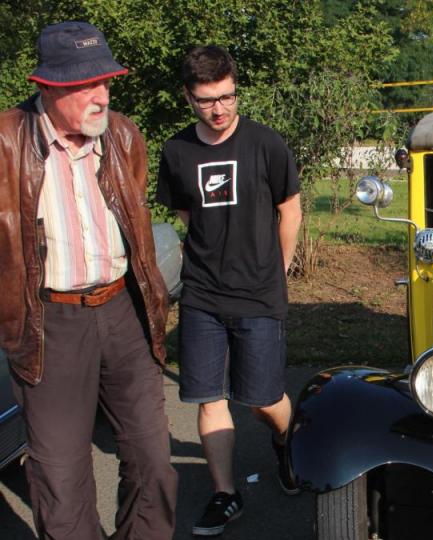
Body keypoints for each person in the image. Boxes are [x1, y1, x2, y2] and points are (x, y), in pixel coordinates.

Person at [0, 21, 177, 539]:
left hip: (124, 309)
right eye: (87, 84)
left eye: (107, 81)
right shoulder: (6, 143)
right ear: (48, 87)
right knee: (60, 474)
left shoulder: (121, 134)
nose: (102, 95)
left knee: (153, 460)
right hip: (47, 321)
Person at [156, 45, 302, 537]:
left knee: (262, 398)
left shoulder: (266, 144)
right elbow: (185, 215)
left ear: (236, 89)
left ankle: (291, 443)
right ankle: (225, 494)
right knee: (209, 398)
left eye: (227, 97)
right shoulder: (177, 151)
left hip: (259, 294)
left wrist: (277, 271)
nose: (219, 109)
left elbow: (291, 209)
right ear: (188, 98)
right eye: (206, 101)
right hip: (202, 296)